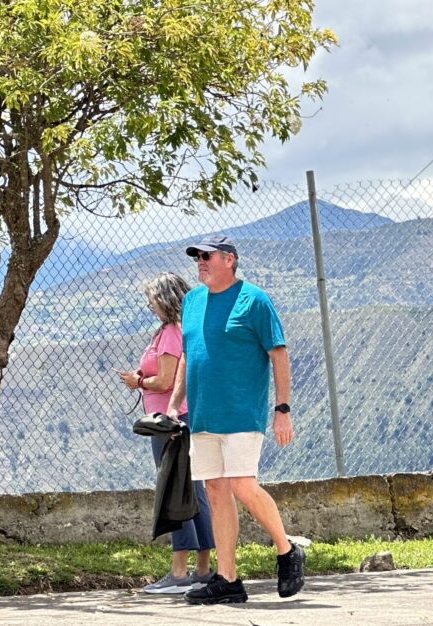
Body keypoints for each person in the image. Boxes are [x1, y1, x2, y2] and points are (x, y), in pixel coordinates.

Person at [165, 234, 305, 605]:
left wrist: (283, 409)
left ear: (229, 259)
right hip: (203, 414)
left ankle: (286, 549)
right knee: (215, 490)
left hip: (242, 413)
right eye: (197, 257)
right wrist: (173, 405)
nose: (200, 262)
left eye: (207, 256)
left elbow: (279, 355)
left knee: (242, 485)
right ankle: (228, 579)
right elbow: (187, 356)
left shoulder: (254, 300)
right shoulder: (192, 301)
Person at [117, 272, 216, 594]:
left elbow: (166, 381)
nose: (148, 305)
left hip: (171, 421)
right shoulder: (174, 330)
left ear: (166, 299)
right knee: (194, 493)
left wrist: (138, 382)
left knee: (176, 494)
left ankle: (178, 573)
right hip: (184, 418)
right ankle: (202, 569)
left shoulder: (172, 333)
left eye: (152, 299)